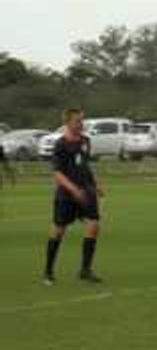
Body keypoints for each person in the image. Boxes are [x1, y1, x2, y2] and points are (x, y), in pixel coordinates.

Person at [45, 108, 105, 285]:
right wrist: (73, 190)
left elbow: (86, 165)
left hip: (87, 191)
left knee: (93, 226)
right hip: (66, 195)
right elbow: (57, 173)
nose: (81, 124)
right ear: (68, 123)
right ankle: (48, 271)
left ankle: (85, 270)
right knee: (58, 230)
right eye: (78, 121)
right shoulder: (61, 145)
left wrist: (96, 183)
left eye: (82, 121)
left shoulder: (86, 141)